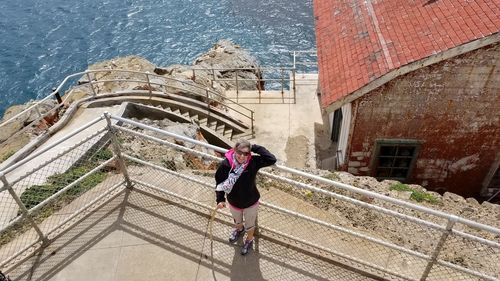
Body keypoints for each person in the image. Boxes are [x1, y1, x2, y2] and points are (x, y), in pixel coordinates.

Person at [215, 139, 277, 255]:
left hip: (250, 202)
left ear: (249, 154)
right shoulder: (226, 165)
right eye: (239, 152)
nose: (242, 156)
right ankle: (239, 229)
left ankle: (249, 239)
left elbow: (271, 159)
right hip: (234, 202)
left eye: (246, 153)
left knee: (250, 225)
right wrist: (220, 199)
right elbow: (219, 183)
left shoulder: (253, 162)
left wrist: (253, 147)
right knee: (237, 221)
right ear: (234, 150)